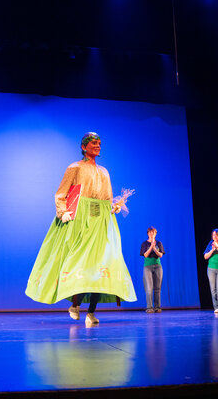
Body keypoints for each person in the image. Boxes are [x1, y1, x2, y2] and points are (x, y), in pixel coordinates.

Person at [25, 132, 136, 326]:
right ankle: (75, 305)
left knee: (102, 265)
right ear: (84, 147)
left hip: (101, 219)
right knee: (80, 263)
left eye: (99, 143)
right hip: (81, 216)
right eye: (93, 143)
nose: (98, 146)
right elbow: (61, 193)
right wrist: (62, 212)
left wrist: (113, 207)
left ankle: (91, 312)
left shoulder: (104, 171)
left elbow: (107, 197)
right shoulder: (75, 167)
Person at [140, 227, 165, 313]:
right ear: (148, 234)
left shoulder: (159, 243)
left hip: (158, 266)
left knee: (157, 288)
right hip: (148, 267)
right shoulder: (144, 244)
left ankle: (157, 307)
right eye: (150, 232)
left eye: (153, 233)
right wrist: (151, 246)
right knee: (149, 287)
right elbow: (145, 255)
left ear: (155, 234)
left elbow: (160, 255)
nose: (151, 234)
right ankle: (149, 307)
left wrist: (154, 248)